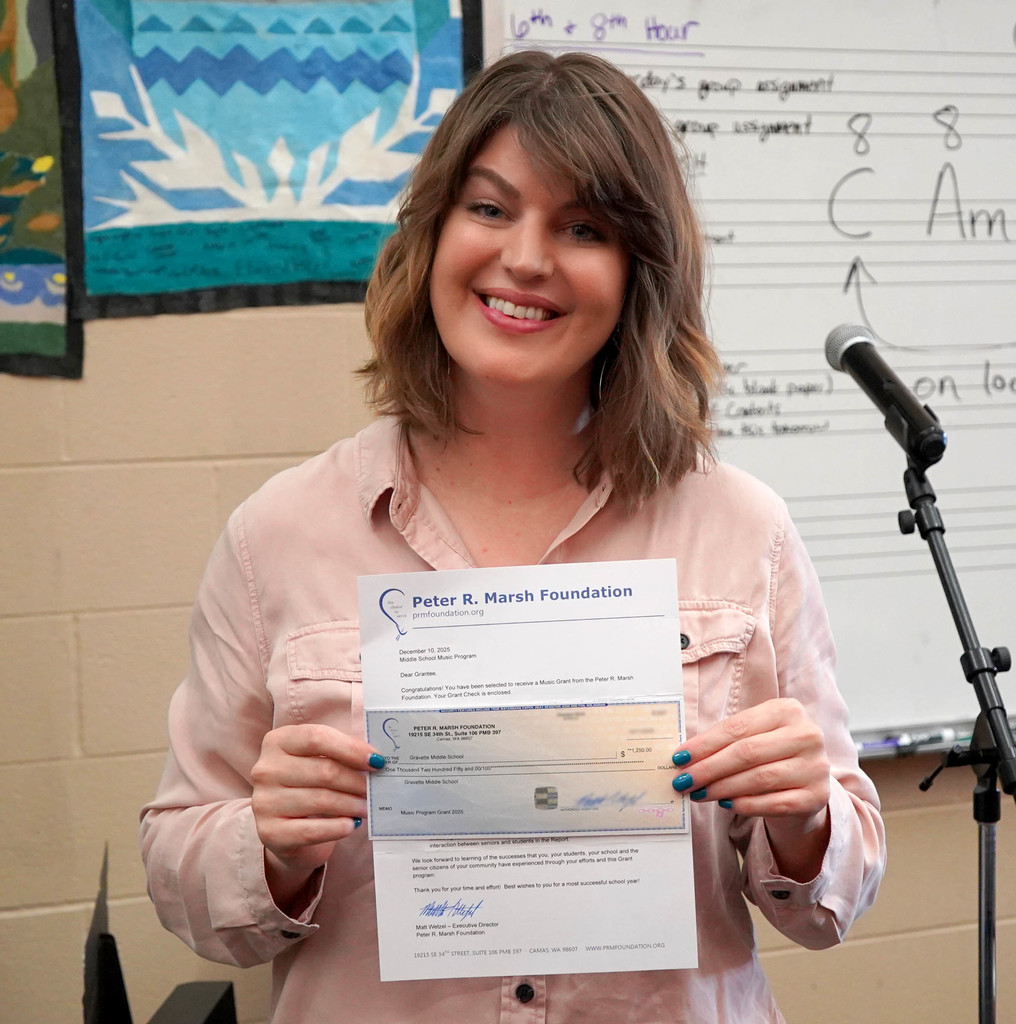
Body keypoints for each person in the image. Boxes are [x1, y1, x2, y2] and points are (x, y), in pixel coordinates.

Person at [141, 49, 885, 1023]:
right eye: (488, 209)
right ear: (432, 231)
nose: (525, 258)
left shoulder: (740, 528)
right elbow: (178, 872)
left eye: (582, 227)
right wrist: (267, 847)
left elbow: (831, 898)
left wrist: (803, 820)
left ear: (637, 273)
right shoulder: (278, 536)